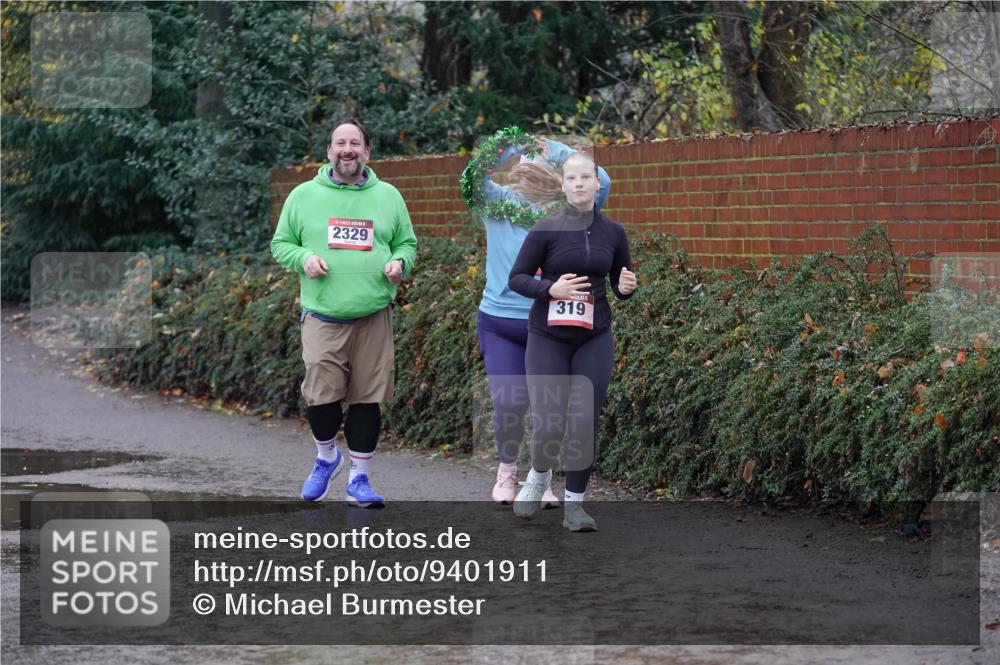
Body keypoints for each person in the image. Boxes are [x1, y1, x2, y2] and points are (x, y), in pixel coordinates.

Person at [271, 119, 417, 507]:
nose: (347, 149)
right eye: (340, 143)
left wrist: (401, 263)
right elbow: (281, 243)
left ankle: (360, 479)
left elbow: (407, 243)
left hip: (373, 315)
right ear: (329, 152)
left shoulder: (388, 196)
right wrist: (304, 258)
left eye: (355, 143)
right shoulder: (303, 195)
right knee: (322, 400)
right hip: (323, 316)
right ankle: (326, 457)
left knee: (367, 399)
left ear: (367, 153)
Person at [463, 136, 611, 506]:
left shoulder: (570, 210)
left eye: (540, 167)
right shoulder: (498, 204)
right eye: (522, 169)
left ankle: (539, 479)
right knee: (509, 401)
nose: (529, 174)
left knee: (549, 408)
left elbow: (602, 181)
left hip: (551, 323)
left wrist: (555, 149)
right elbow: (471, 177)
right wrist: (510, 142)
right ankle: (507, 469)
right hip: (501, 321)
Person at [507, 151, 636, 531]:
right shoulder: (545, 229)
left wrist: (626, 287)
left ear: (598, 184)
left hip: (594, 336)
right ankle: (539, 477)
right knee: (549, 423)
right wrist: (552, 288)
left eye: (586, 178)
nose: (579, 184)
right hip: (548, 336)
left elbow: (620, 280)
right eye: (572, 178)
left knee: (583, 421)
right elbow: (517, 279)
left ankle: (575, 506)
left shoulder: (614, 232)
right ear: (562, 186)